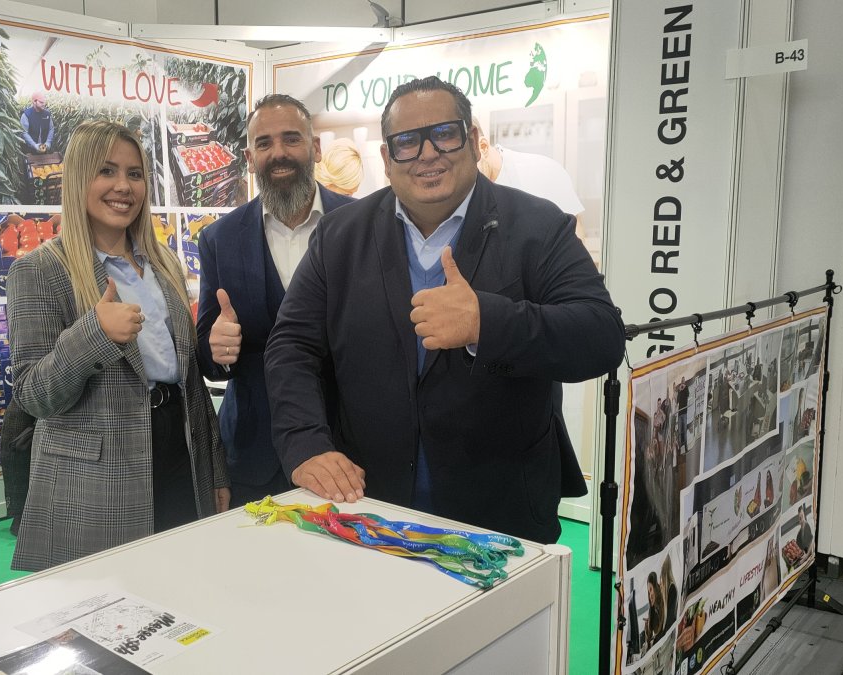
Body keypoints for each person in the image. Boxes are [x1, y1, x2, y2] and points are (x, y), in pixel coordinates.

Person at [265, 76, 623, 544]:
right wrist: (305, 444)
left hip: (498, 510)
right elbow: (291, 345)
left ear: (474, 141)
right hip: (370, 507)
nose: (428, 153)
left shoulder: (537, 226)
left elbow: (600, 336)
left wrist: (485, 322)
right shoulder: (339, 236)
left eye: (445, 134)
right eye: (407, 142)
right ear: (387, 159)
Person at [6, 120, 228, 572]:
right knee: (106, 611)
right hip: (94, 482)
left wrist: (215, 472)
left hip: (177, 457)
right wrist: (93, 335)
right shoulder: (39, 271)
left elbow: (189, 385)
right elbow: (33, 394)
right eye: (106, 171)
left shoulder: (161, 263)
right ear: (78, 180)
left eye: (134, 173)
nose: (123, 187)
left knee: (182, 590)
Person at [196, 94, 354, 507]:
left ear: (315, 148)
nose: (278, 153)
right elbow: (207, 355)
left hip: (347, 454)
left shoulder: (361, 225)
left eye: (291, 139)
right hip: (252, 456)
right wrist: (217, 349)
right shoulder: (220, 239)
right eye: (264, 143)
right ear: (250, 157)